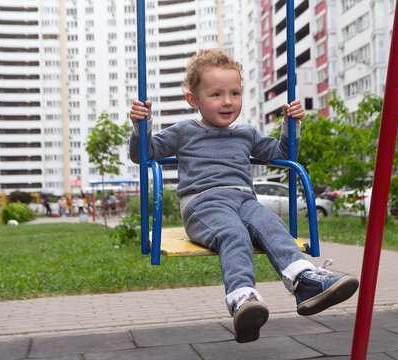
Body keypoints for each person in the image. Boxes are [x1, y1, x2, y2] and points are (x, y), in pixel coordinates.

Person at [129, 49, 359, 343]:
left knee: (272, 224)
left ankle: (305, 281)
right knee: (233, 233)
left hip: (244, 200)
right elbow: (143, 154)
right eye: (216, 95)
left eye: (235, 93)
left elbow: (282, 155)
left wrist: (292, 125)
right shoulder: (184, 131)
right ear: (193, 100)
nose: (227, 102)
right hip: (203, 203)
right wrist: (141, 126)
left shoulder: (246, 133)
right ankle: (242, 299)